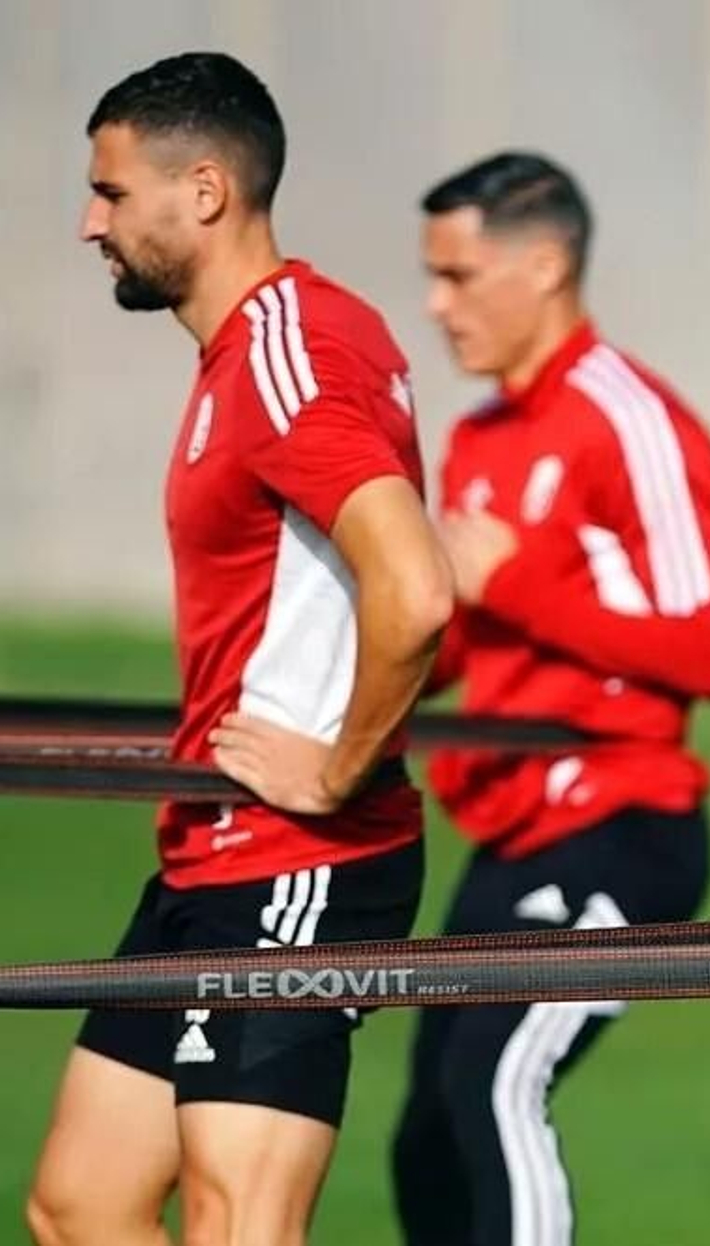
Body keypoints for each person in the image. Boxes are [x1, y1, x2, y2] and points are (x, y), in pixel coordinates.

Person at [28, 52, 453, 1246]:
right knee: (81, 1207)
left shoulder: (291, 351)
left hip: (297, 857)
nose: (88, 223)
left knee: (236, 1221)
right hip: (211, 856)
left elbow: (414, 589)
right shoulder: (250, 352)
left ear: (204, 190)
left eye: (112, 194)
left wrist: (335, 768)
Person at [391, 151, 710, 1246]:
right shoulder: (480, 437)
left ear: (543, 264)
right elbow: (467, 643)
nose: (437, 306)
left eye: (457, 276)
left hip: (620, 830)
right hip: (504, 836)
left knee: (495, 1081)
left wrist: (515, 582)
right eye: (431, 277)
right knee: (427, 1135)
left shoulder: (628, 420)